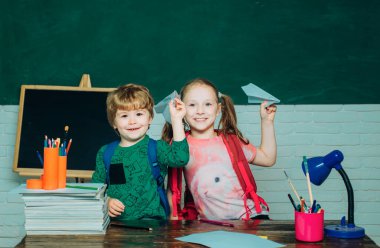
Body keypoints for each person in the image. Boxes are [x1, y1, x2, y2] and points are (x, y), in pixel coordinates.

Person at [163, 78, 277, 220]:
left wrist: (267, 121)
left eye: (208, 104)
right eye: (192, 105)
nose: (200, 111)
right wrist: (174, 226)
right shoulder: (180, 147)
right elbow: (172, 191)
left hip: (250, 217)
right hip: (211, 224)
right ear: (181, 109)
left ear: (218, 109)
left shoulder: (231, 141)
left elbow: (268, 158)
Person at [92, 83, 189, 221]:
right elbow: (97, 188)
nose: (132, 121)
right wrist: (107, 201)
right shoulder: (105, 153)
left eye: (139, 114)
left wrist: (177, 120)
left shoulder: (156, 148)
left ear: (150, 118)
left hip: (152, 225)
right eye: (124, 116)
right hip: (115, 227)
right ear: (114, 122)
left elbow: (180, 158)